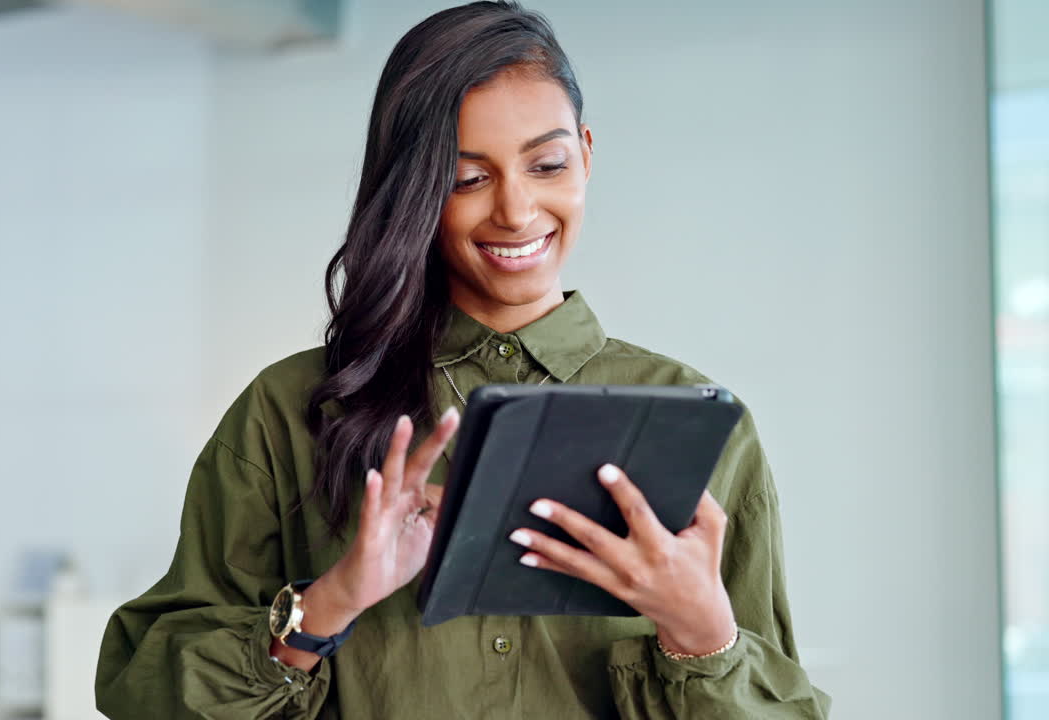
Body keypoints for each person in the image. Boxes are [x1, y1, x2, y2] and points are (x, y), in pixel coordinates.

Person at [95, 2, 831, 717]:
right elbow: (145, 693)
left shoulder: (703, 425)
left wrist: (702, 634)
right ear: (413, 190)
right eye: (467, 178)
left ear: (587, 155)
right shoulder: (292, 411)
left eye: (546, 163)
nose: (515, 210)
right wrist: (331, 602)